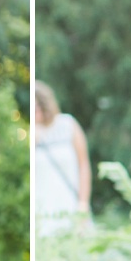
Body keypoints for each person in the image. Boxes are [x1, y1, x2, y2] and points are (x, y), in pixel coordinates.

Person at [32, 81, 91, 231]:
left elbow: (83, 165)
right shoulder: (32, 134)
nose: (35, 113)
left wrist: (83, 203)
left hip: (71, 204)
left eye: (37, 108)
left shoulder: (68, 125)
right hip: (42, 212)